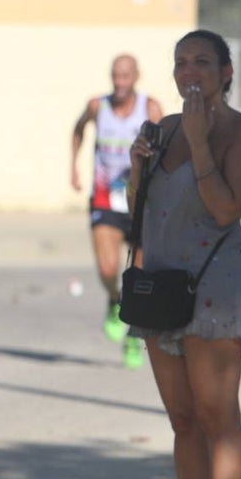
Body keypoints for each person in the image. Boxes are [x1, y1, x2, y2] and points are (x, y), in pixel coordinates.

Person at [127, 30, 241, 479]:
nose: (191, 71)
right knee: (183, 419)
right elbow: (139, 208)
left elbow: (226, 210)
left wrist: (201, 141)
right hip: (162, 289)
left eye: (203, 62)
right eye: (182, 61)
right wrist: (139, 167)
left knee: (218, 417)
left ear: (226, 72)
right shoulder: (162, 129)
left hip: (214, 290)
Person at [72, 55, 163, 368]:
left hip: (140, 201)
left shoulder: (149, 108)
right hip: (105, 198)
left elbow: (167, 149)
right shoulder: (98, 106)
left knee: (136, 277)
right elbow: (78, 129)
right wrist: (73, 166)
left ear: (137, 76)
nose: (120, 82)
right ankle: (114, 300)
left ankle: (133, 338)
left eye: (126, 76)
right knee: (108, 269)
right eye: (115, 75)